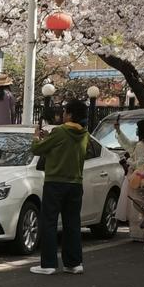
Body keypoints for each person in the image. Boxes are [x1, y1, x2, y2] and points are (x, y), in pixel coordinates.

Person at [29, 96, 90, 275]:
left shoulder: (60, 131)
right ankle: (74, 262)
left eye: (64, 112)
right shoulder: (84, 134)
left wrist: (36, 138)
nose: (62, 115)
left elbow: (37, 150)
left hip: (55, 181)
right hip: (76, 183)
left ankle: (48, 264)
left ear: (70, 114)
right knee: (72, 222)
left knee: (49, 221)